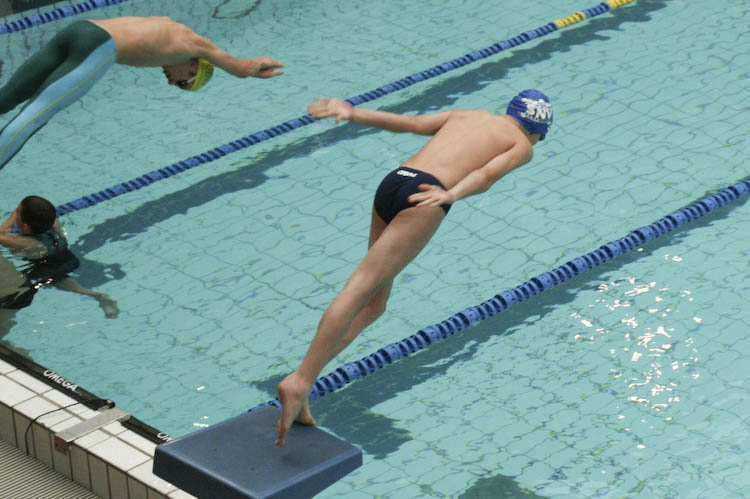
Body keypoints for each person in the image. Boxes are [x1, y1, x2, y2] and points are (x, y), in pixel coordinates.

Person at [275, 89, 553, 446]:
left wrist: (353, 113)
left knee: (374, 304)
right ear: (537, 130)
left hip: (395, 180)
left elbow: (411, 123)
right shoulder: (522, 145)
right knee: (360, 287)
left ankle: (305, 380)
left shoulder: (468, 114)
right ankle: (299, 381)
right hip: (426, 195)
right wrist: (450, 195)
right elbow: (485, 176)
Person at [0, 16, 285, 169]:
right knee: (34, 116)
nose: (172, 83)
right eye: (184, 82)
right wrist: (258, 67)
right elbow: (240, 68)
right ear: (195, 66)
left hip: (81, 29)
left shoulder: (173, 31)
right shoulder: (197, 46)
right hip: (99, 46)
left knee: (8, 96)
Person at [0, 196, 119, 347]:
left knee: (25, 290)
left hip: (45, 265)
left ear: (26, 227)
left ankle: (97, 296)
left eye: (17, 212)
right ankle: (98, 296)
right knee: (61, 279)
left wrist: (7, 225)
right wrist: (21, 214)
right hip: (66, 258)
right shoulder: (52, 222)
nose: (14, 213)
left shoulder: (25, 243)